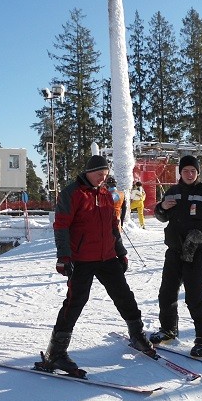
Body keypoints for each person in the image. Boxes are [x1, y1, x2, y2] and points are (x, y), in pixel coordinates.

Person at [36, 155, 153, 375]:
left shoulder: (106, 195)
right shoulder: (72, 193)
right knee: (75, 302)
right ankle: (56, 353)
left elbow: (113, 226)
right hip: (81, 259)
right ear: (89, 172)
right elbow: (61, 226)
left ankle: (137, 335)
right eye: (100, 174)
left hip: (107, 257)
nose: (103, 178)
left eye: (106, 175)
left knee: (124, 295)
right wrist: (64, 257)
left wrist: (121, 252)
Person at [150, 155, 202, 357]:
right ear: (180, 172)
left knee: (194, 296)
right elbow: (160, 216)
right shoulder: (173, 192)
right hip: (175, 249)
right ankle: (168, 329)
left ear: (198, 173)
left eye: (193, 171)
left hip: (199, 251)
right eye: (185, 171)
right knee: (166, 293)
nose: (189, 174)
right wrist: (161, 208)